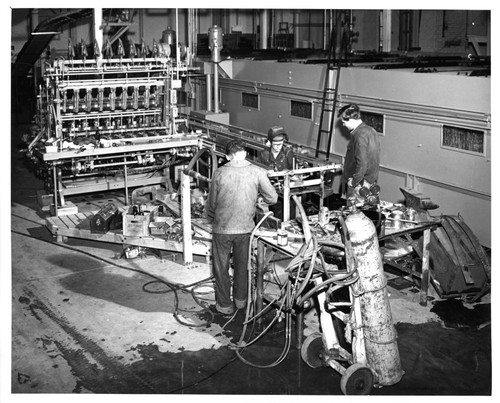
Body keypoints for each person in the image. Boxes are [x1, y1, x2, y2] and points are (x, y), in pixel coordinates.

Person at [206, 139, 278, 316]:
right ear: (245, 153)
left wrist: (211, 216)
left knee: (221, 268)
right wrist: (256, 199)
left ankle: (224, 305)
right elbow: (273, 198)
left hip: (222, 229)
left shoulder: (219, 173)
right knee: (242, 266)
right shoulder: (257, 171)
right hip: (245, 229)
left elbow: (212, 204)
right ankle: (241, 302)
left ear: (227, 156)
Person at [338, 103, 381, 207]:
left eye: (344, 122)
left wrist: (354, 182)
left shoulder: (360, 135)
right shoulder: (371, 130)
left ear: (351, 120)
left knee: (353, 217)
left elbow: (362, 163)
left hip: (359, 184)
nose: (343, 125)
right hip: (370, 182)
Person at [257, 126, 294, 219]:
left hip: (285, 189)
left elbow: (292, 170)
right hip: (270, 191)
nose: (278, 147)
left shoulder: (287, 153)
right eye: (275, 145)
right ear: (269, 143)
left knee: (290, 212)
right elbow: (259, 174)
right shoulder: (264, 154)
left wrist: (288, 173)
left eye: (280, 144)